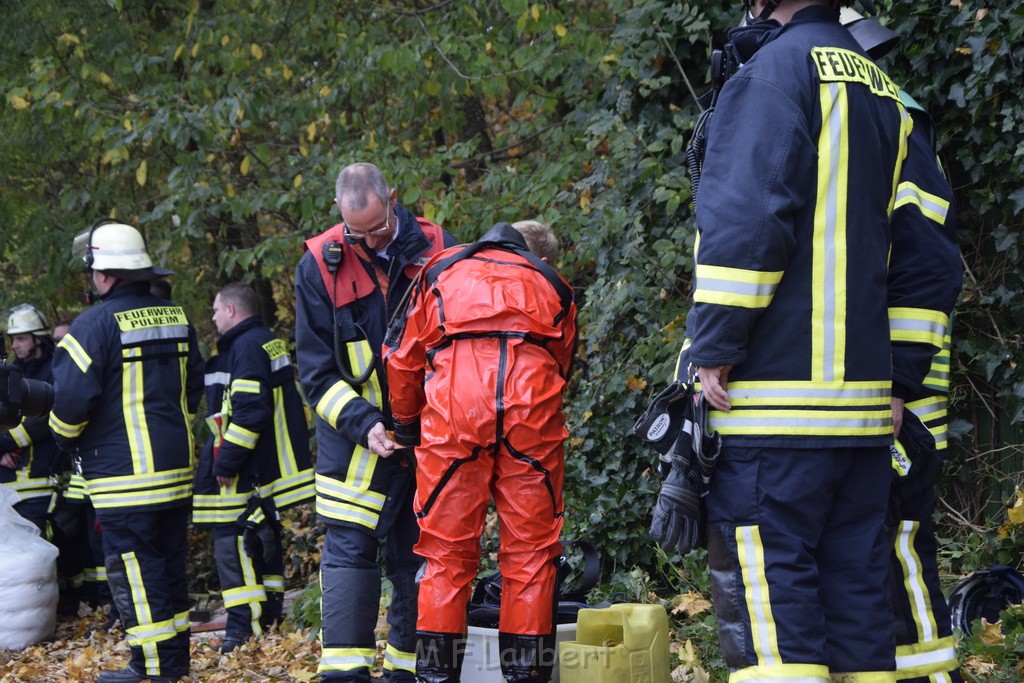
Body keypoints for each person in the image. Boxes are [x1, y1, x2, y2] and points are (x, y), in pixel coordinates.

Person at [684, 0, 919, 679]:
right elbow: (915, 246)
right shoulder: (882, 87)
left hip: (775, 406)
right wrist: (901, 376)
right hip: (863, 410)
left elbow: (748, 221)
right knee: (857, 606)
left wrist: (714, 345)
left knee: (771, 605)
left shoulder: (772, 74)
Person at [385, 220, 576, 683]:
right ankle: (527, 676)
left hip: (453, 415)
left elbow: (403, 358)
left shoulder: (440, 271)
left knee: (445, 555)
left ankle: (434, 677)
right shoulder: (554, 284)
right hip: (529, 412)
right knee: (531, 553)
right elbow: (563, 363)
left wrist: (407, 428)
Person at [294, 162, 458, 682]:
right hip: (355, 443)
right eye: (355, 232)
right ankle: (345, 674)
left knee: (420, 557)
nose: (367, 241)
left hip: (425, 435)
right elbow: (315, 373)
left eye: (377, 229)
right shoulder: (321, 263)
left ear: (393, 198)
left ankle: (410, 673)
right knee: (349, 554)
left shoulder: (438, 247)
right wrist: (364, 423)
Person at [839, 9, 965, 682]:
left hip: (900, 409)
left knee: (900, 562)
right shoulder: (879, 126)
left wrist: (897, 386)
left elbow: (929, 268)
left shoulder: (893, 126)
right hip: (872, 399)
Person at [48, 220, 202, 683]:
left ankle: (152, 668)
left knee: (137, 573)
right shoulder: (176, 316)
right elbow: (193, 387)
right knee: (169, 568)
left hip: (123, 479)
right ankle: (173, 663)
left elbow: (69, 404)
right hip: (176, 472)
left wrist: (64, 438)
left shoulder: (91, 326)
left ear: (105, 274)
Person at [192, 282, 314, 653]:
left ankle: (242, 632)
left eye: (215, 310)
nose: (212, 316)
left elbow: (250, 410)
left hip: (244, 467)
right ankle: (270, 616)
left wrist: (226, 460)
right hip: (263, 464)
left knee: (234, 541)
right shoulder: (263, 340)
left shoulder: (245, 346)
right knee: (263, 541)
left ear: (231, 310)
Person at [1, 304, 64, 534]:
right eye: (13, 339)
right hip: (10, 487)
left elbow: (47, 419)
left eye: (21, 339)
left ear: (38, 339)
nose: (15, 345)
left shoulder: (58, 368)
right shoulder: (12, 372)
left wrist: (4, 442)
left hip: (42, 482)